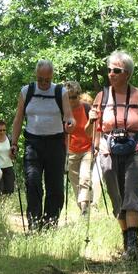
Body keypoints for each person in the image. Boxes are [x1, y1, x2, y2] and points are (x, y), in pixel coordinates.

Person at [91, 51, 138, 261]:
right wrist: (91, 127)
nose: (111, 74)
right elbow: (92, 130)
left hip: (135, 151)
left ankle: (133, 246)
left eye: (116, 70)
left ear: (127, 73)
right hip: (108, 152)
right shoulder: (101, 97)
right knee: (116, 197)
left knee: (131, 193)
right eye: (109, 70)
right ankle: (125, 238)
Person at [11, 59, 76, 231]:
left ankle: (49, 224)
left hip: (55, 144)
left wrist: (70, 123)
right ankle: (34, 223)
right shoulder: (27, 91)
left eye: (47, 80)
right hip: (33, 143)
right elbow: (18, 119)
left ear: (52, 76)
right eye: (41, 79)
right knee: (32, 183)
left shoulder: (59, 92)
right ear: (36, 76)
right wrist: (14, 143)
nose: (44, 83)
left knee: (55, 186)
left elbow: (69, 116)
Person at [64, 81, 95, 216]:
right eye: (68, 97)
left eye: (74, 97)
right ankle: (83, 208)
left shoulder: (87, 108)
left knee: (85, 178)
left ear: (79, 95)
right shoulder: (63, 111)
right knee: (75, 183)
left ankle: (85, 209)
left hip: (87, 149)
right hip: (70, 151)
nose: (72, 100)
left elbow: (94, 130)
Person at [0, 120, 15, 196]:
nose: (2, 132)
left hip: (8, 166)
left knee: (9, 190)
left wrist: (13, 154)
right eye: (0, 130)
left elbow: (14, 155)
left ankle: (6, 206)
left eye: (4, 130)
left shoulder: (10, 138)